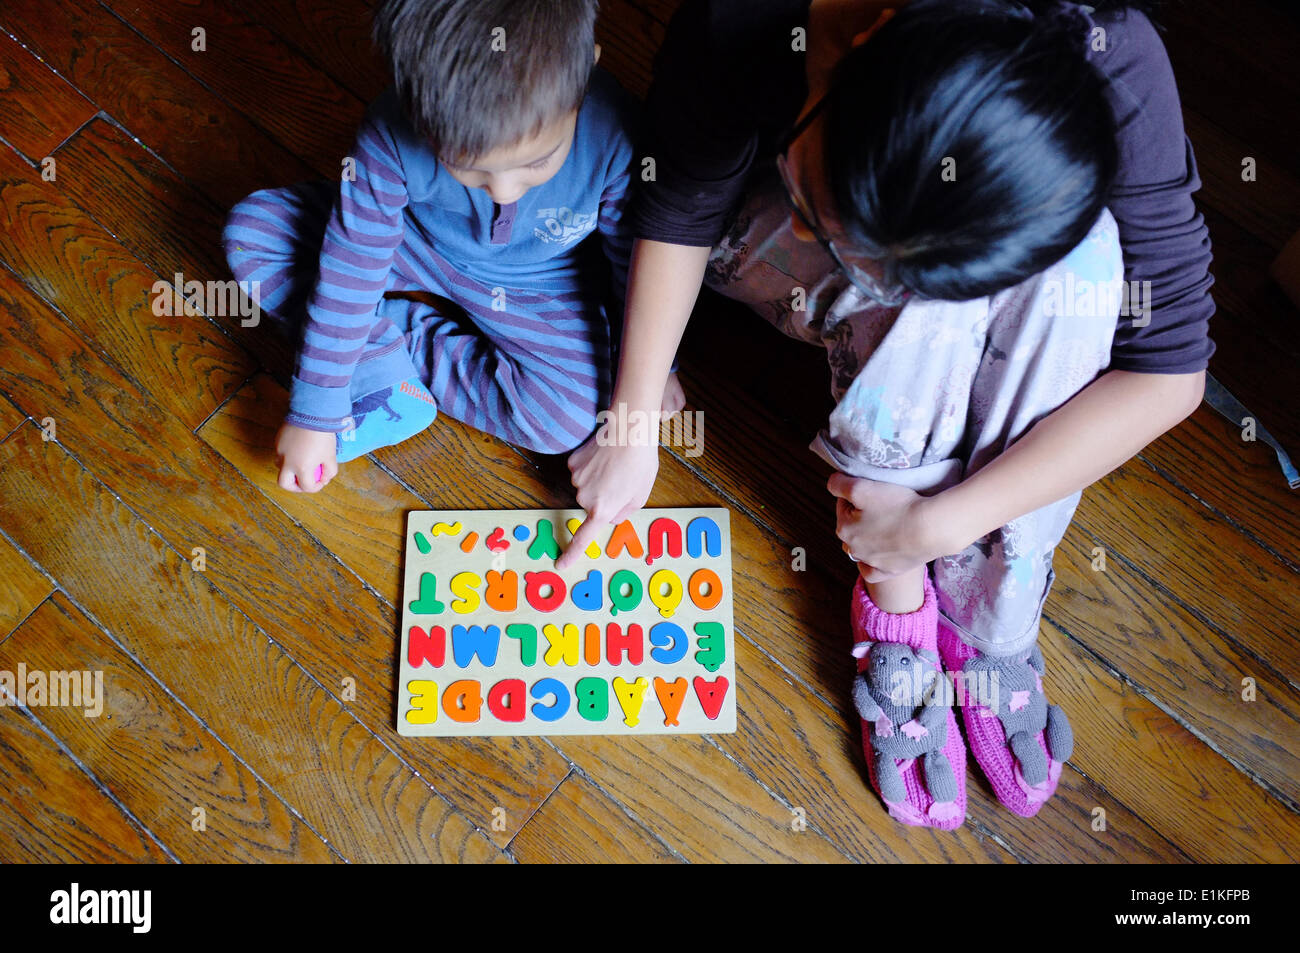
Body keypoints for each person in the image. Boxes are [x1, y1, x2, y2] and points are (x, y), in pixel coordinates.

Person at [563, 0, 1212, 828]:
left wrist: (942, 524)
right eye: (818, 196)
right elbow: (680, 210)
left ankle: (991, 616)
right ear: (860, 44)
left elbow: (1169, 371)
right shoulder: (746, 19)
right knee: (921, 315)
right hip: (749, 237)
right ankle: (898, 607)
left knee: (1083, 263)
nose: (813, 221)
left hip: (932, 271)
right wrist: (632, 415)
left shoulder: (1108, 51)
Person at [223, 0, 640, 492]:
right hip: (413, 242)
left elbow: (632, 260)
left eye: (537, 161)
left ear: (586, 68)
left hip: (542, 280)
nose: (503, 191)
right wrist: (316, 410)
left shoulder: (615, 132)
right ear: (411, 103)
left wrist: (660, 370)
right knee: (253, 233)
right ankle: (371, 353)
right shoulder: (388, 134)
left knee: (562, 418)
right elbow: (352, 258)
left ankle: (394, 342)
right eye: (469, 168)